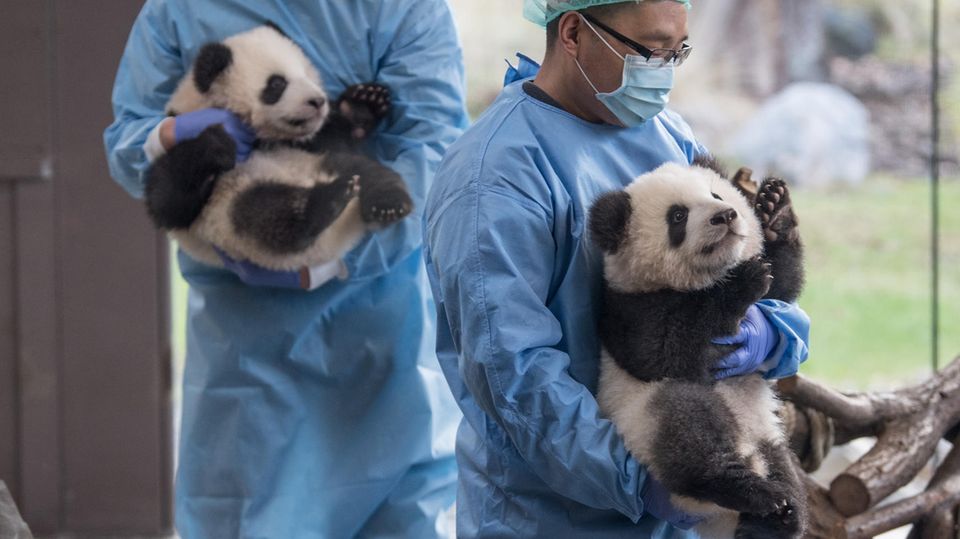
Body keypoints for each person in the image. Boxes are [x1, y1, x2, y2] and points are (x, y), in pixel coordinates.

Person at [422, 0, 811, 537]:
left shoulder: (667, 135)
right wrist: (644, 479)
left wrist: (773, 333)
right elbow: (515, 375)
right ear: (575, 32)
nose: (665, 75)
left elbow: (740, 255)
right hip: (554, 517)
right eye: (652, 53)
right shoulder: (496, 176)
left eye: (678, 53)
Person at [104, 1, 469, 537]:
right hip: (242, 345)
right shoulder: (180, 11)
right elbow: (128, 144)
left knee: (399, 510)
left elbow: (436, 155)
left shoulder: (399, 9)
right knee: (247, 512)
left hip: (380, 327)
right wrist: (170, 137)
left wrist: (332, 256)